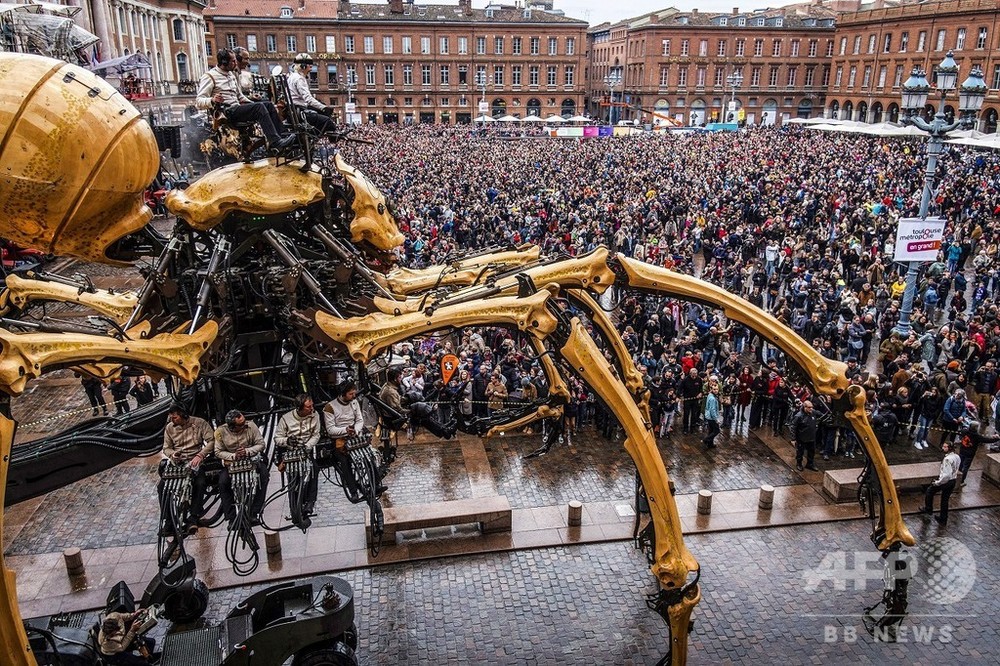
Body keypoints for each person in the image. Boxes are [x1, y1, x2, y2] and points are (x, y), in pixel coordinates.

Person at [196, 48, 295, 153]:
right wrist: (212, 100)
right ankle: (275, 143)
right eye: (233, 61)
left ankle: (284, 137)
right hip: (227, 112)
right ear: (224, 62)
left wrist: (253, 103)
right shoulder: (210, 76)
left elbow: (240, 96)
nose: (235, 63)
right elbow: (198, 101)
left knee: (268, 105)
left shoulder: (231, 75)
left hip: (237, 108)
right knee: (260, 107)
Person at [159, 404, 213, 534]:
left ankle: (193, 518)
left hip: (195, 460)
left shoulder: (199, 423)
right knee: (162, 487)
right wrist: (173, 454)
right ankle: (169, 521)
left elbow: (211, 441)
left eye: (175, 417)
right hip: (178, 463)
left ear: (183, 415)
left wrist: (200, 455)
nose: (173, 420)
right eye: (171, 418)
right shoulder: (169, 428)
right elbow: (166, 447)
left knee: (200, 483)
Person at [275, 394, 321, 527]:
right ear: (299, 408)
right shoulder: (286, 419)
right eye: (308, 407)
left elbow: (316, 434)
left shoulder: (315, 415)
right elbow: (277, 438)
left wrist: (308, 446)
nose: (311, 408)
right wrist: (287, 441)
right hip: (291, 452)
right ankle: (294, 508)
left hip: (306, 450)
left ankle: (310, 502)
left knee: (314, 470)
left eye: (312, 405)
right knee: (293, 478)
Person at [215, 410, 267, 527]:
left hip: (252, 459)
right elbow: (218, 451)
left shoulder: (251, 426)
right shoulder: (221, 431)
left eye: (244, 422)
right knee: (223, 482)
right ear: (232, 427)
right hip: (232, 462)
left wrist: (247, 451)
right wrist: (233, 456)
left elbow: (261, 444)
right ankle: (231, 517)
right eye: (240, 424)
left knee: (263, 476)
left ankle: (255, 512)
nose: (244, 425)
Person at [288, 53, 334, 133]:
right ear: (303, 66)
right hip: (299, 110)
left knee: (322, 110)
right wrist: (324, 108)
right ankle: (311, 136)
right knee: (327, 122)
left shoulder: (291, 76)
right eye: (310, 65)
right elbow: (308, 99)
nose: (311, 67)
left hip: (294, 109)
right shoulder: (299, 79)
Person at [921, 441, 961, 525]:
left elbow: (946, 475)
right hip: (953, 480)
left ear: (949, 448)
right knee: (945, 500)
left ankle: (928, 509)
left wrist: (938, 483)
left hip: (946, 481)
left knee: (930, 491)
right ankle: (943, 519)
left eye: (945, 447)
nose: (943, 448)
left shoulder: (947, 459)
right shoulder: (957, 456)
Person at [955, 420, 1000, 487]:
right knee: (966, 467)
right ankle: (961, 481)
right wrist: (996, 439)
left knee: (960, 466)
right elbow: (987, 440)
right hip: (970, 454)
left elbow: (962, 429)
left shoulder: (965, 431)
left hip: (962, 451)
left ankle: (956, 478)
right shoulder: (977, 436)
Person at [790, 400, 819, 472]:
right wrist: (793, 438)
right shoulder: (799, 416)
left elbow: (820, 414)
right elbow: (793, 427)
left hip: (811, 437)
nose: (811, 409)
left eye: (812, 407)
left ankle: (810, 464)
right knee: (800, 451)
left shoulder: (813, 412)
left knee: (812, 451)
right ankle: (799, 463)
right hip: (801, 437)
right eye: (809, 407)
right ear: (805, 407)